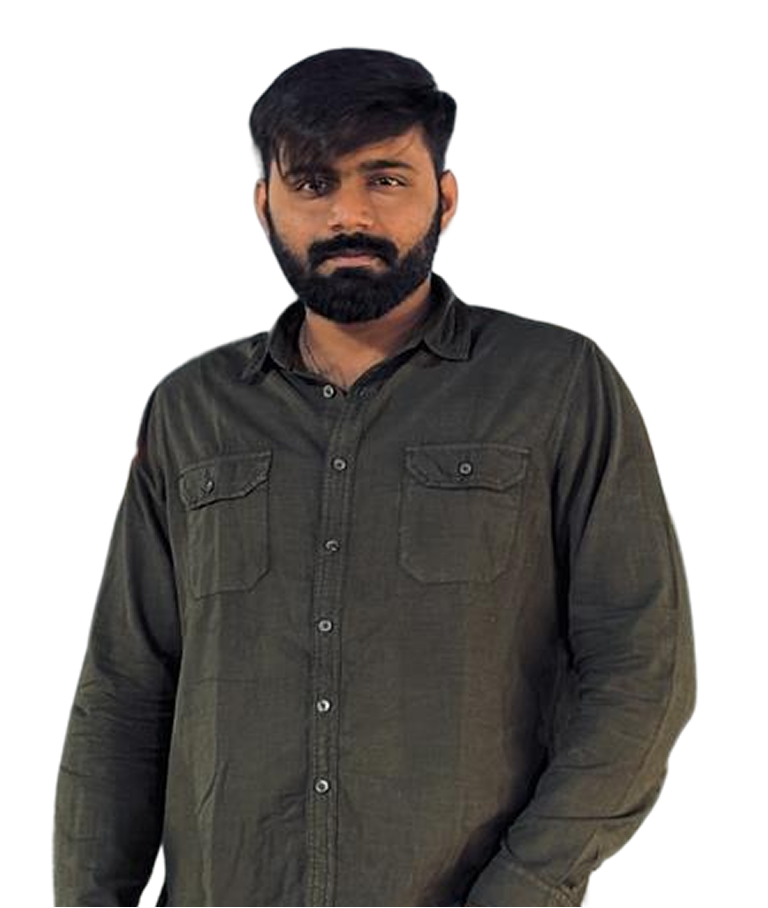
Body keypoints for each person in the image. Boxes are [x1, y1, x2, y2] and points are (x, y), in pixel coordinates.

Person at [51, 46, 697, 907]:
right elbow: (123, 691)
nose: (348, 213)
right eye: (313, 183)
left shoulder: (557, 384)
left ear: (447, 199)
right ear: (262, 205)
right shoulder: (189, 407)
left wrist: (527, 887)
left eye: (385, 179)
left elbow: (643, 669)